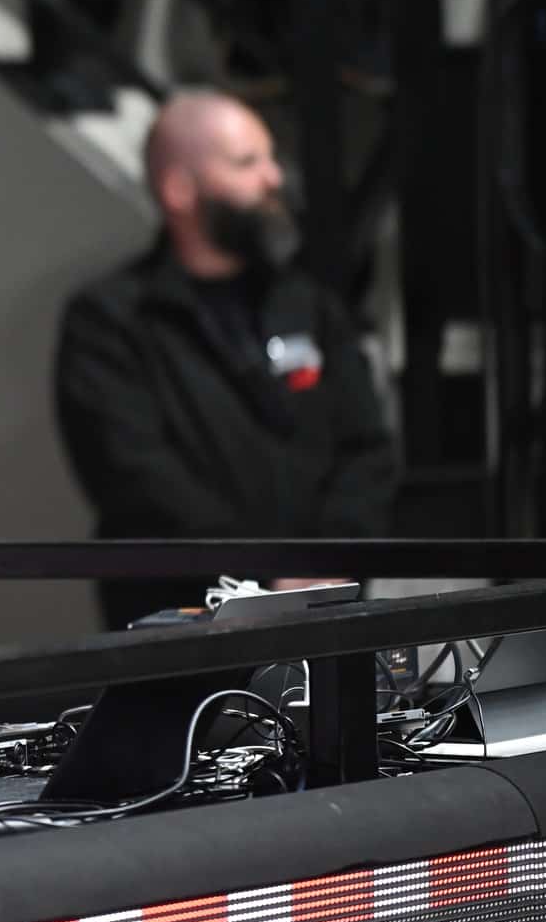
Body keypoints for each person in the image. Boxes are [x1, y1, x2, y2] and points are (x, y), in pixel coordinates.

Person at [54, 91, 398, 627]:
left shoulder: (304, 304)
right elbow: (136, 480)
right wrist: (262, 575)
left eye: (269, 158)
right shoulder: (113, 320)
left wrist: (329, 563)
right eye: (246, 162)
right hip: (180, 630)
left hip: (327, 620)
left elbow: (366, 448)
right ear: (179, 189)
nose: (272, 179)